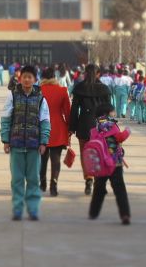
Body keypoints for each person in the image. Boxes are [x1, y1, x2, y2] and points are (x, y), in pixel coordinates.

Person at [1, 65, 50, 221]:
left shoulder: (41, 98)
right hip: (16, 144)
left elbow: (45, 122)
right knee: (17, 179)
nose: (27, 79)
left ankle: (33, 209)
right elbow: (6, 119)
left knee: (34, 179)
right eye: (24, 77)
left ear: (35, 79)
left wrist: (44, 141)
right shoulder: (12, 96)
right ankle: (17, 209)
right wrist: (6, 140)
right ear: (20, 78)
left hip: (34, 145)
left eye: (30, 77)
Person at [69, 64, 112, 196]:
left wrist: (71, 128)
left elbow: (74, 110)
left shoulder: (79, 88)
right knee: (100, 153)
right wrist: (109, 128)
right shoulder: (104, 89)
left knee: (85, 153)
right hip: (100, 126)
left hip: (84, 125)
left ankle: (88, 178)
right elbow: (108, 110)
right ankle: (99, 181)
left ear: (85, 73)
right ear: (98, 73)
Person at [88, 103, 131, 224]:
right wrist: (127, 131)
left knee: (99, 188)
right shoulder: (112, 125)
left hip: (101, 162)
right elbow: (120, 137)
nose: (114, 113)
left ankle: (93, 212)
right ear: (107, 113)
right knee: (119, 189)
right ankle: (125, 214)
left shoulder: (95, 126)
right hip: (114, 162)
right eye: (113, 111)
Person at [39, 67, 71, 196]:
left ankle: (42, 182)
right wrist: (69, 129)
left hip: (41, 127)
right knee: (55, 159)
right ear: (54, 77)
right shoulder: (62, 90)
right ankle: (54, 184)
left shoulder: (38, 91)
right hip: (58, 128)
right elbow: (67, 112)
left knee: (42, 158)